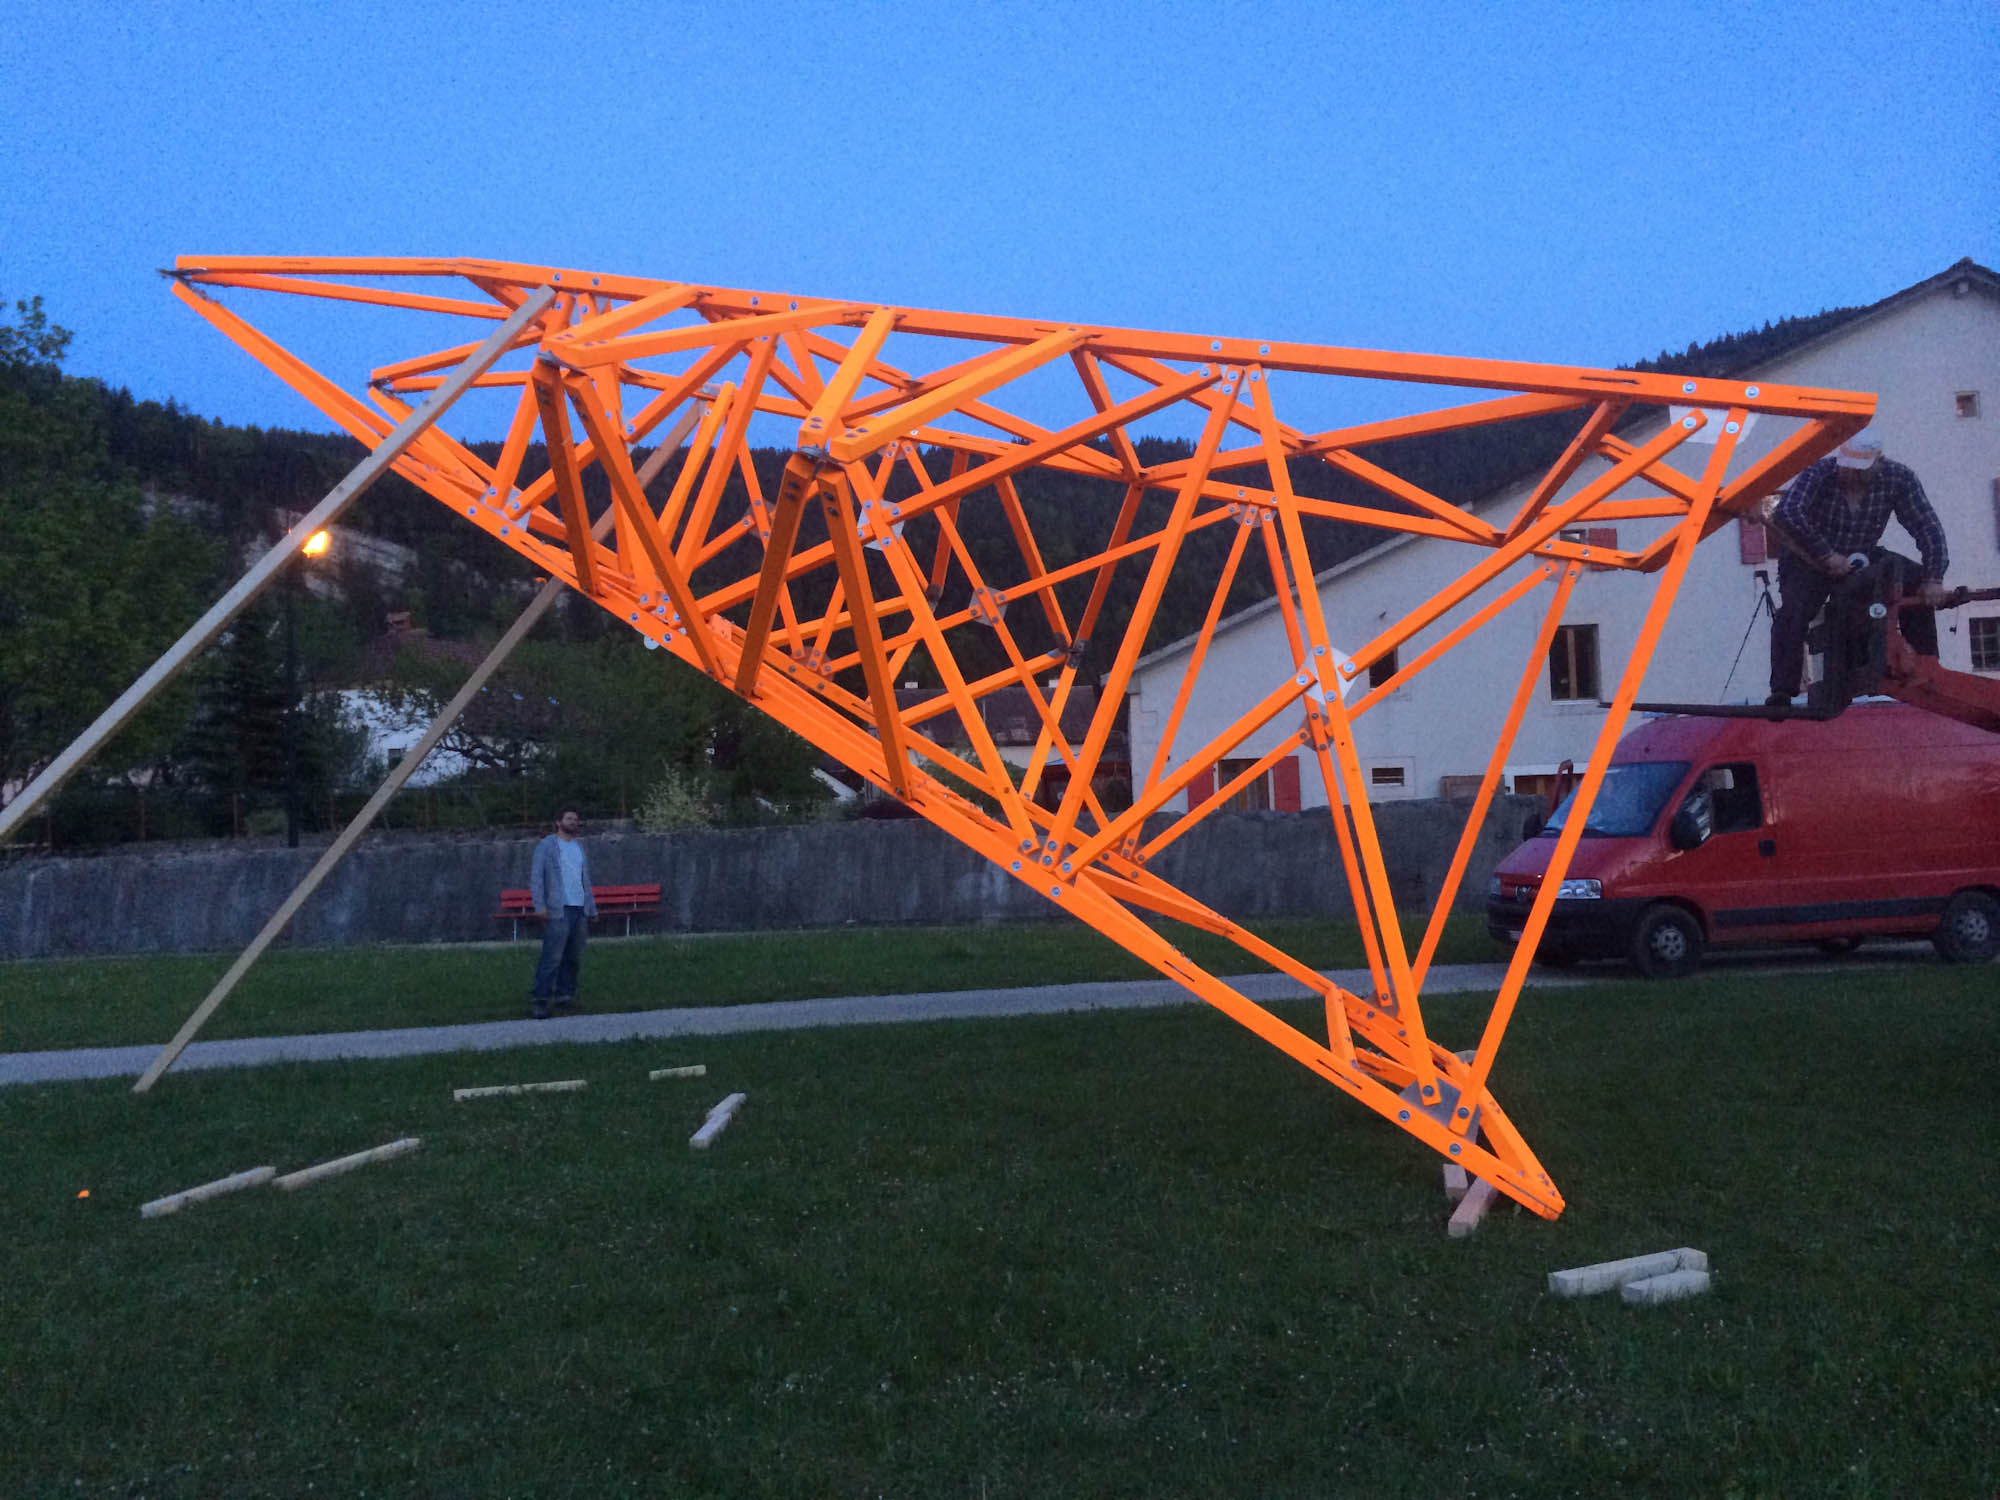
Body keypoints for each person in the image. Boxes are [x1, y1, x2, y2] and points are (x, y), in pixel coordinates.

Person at [1767, 431, 1949, 705]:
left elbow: (1927, 527)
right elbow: (1787, 512)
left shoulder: (1899, 478)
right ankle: (1783, 690)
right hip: (1807, 559)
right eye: (1848, 467)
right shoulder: (1819, 472)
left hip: (1860, 556)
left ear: (1879, 462)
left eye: (1860, 469)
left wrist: (1934, 578)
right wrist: (1826, 555)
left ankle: (1926, 668)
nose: (1851, 474)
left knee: (1912, 580)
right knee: (1794, 611)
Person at [527, 808, 597, 1018]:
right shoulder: (547, 846)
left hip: (579, 909)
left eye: (576, 819)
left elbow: (585, 880)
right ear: (558, 822)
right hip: (558, 909)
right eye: (569, 818)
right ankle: (540, 1000)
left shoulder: (579, 847)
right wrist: (539, 905)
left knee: (573, 957)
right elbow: (537, 877)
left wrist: (591, 908)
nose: (573, 822)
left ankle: (565, 996)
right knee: (552, 957)